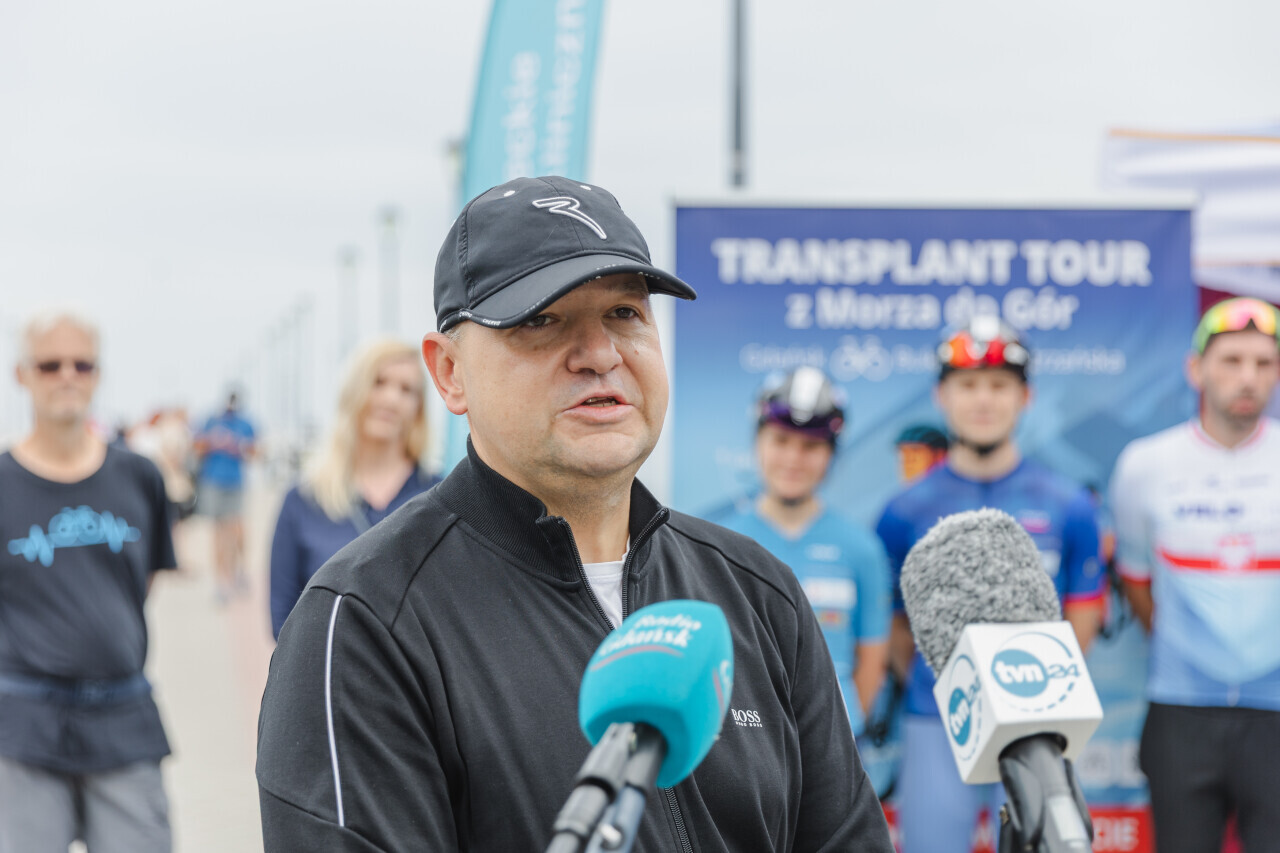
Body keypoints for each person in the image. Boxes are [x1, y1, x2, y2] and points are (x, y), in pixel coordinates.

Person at [256, 175, 894, 851]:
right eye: (541, 318)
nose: (600, 353)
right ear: (449, 373)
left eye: (624, 312)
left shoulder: (759, 593)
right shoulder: (365, 621)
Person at [875, 315, 1105, 853]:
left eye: (999, 385)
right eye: (968, 385)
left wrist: (1034, 685)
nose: (983, 400)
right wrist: (955, 687)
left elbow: (1084, 613)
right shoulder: (904, 509)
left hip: (1039, 720)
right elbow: (895, 625)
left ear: (1026, 397)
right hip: (937, 719)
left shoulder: (1069, 503)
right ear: (941, 395)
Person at [0, 308, 176, 853]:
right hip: (23, 726)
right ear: (22, 375)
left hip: (123, 718)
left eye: (82, 364)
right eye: (49, 365)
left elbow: (143, 580)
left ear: (98, 374)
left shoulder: (139, 476)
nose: (67, 376)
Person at [1109, 296, 1280, 853]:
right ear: (1195, 368)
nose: (1248, 377)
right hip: (1180, 708)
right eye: (1231, 360)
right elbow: (1136, 581)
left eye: (1264, 362)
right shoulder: (1145, 464)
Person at [717, 367, 891, 741]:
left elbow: (872, 659)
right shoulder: (716, 542)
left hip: (835, 744)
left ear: (832, 454)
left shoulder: (861, 548)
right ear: (757, 442)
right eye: (781, 440)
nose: (794, 458)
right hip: (746, 745)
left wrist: (840, 738)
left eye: (811, 446)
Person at [269, 338, 440, 638]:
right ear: (354, 390)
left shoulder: (440, 498)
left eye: (406, 389)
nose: (391, 399)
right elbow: (283, 624)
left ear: (419, 408)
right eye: (378, 382)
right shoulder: (303, 499)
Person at [194, 390, 256, 602]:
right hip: (213, 481)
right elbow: (197, 447)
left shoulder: (245, 423)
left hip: (235, 482)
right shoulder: (212, 421)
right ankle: (221, 581)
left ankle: (239, 570)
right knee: (219, 533)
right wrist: (213, 441)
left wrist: (237, 445)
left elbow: (255, 452)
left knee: (237, 530)